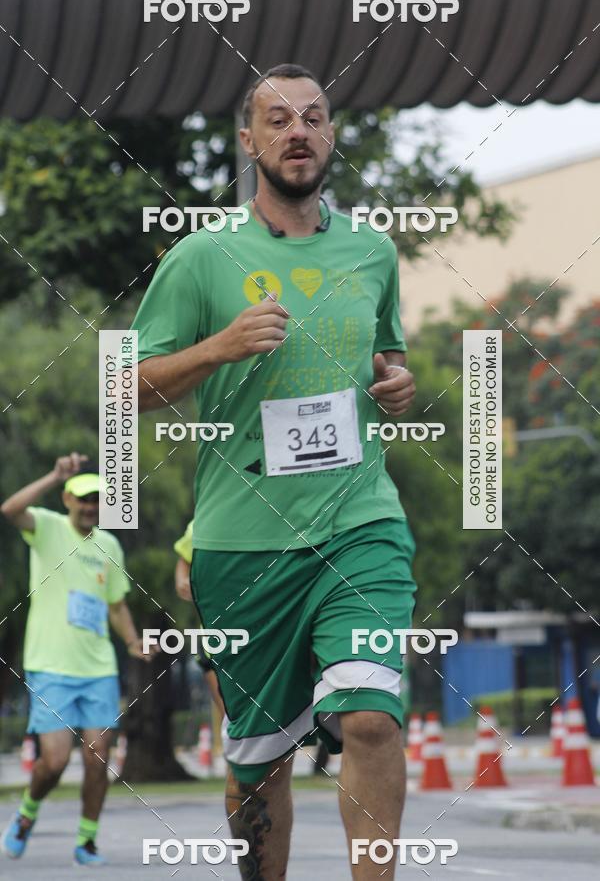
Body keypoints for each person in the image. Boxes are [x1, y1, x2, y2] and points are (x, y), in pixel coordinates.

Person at [133, 63, 417, 880]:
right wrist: (219, 346)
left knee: (370, 720)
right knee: (261, 764)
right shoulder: (201, 258)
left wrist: (395, 382)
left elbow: (387, 358)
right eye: (279, 118)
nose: (299, 131)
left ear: (332, 136)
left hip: (360, 522)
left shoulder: (371, 250)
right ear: (249, 141)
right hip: (244, 545)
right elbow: (125, 393)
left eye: (315, 117)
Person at [0, 453, 151, 867]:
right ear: (68, 499)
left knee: (97, 754)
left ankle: (86, 841)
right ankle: (28, 812)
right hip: (49, 665)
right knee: (54, 760)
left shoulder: (110, 545)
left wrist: (133, 640)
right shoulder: (46, 528)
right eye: (83, 498)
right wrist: (53, 474)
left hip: (98, 668)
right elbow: (10, 509)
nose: (90, 506)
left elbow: (116, 605)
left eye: (98, 500)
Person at [173, 520, 225, 718]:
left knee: (274, 732)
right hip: (216, 641)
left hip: (265, 637)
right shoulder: (204, 520)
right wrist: (182, 581)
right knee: (232, 723)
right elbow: (184, 560)